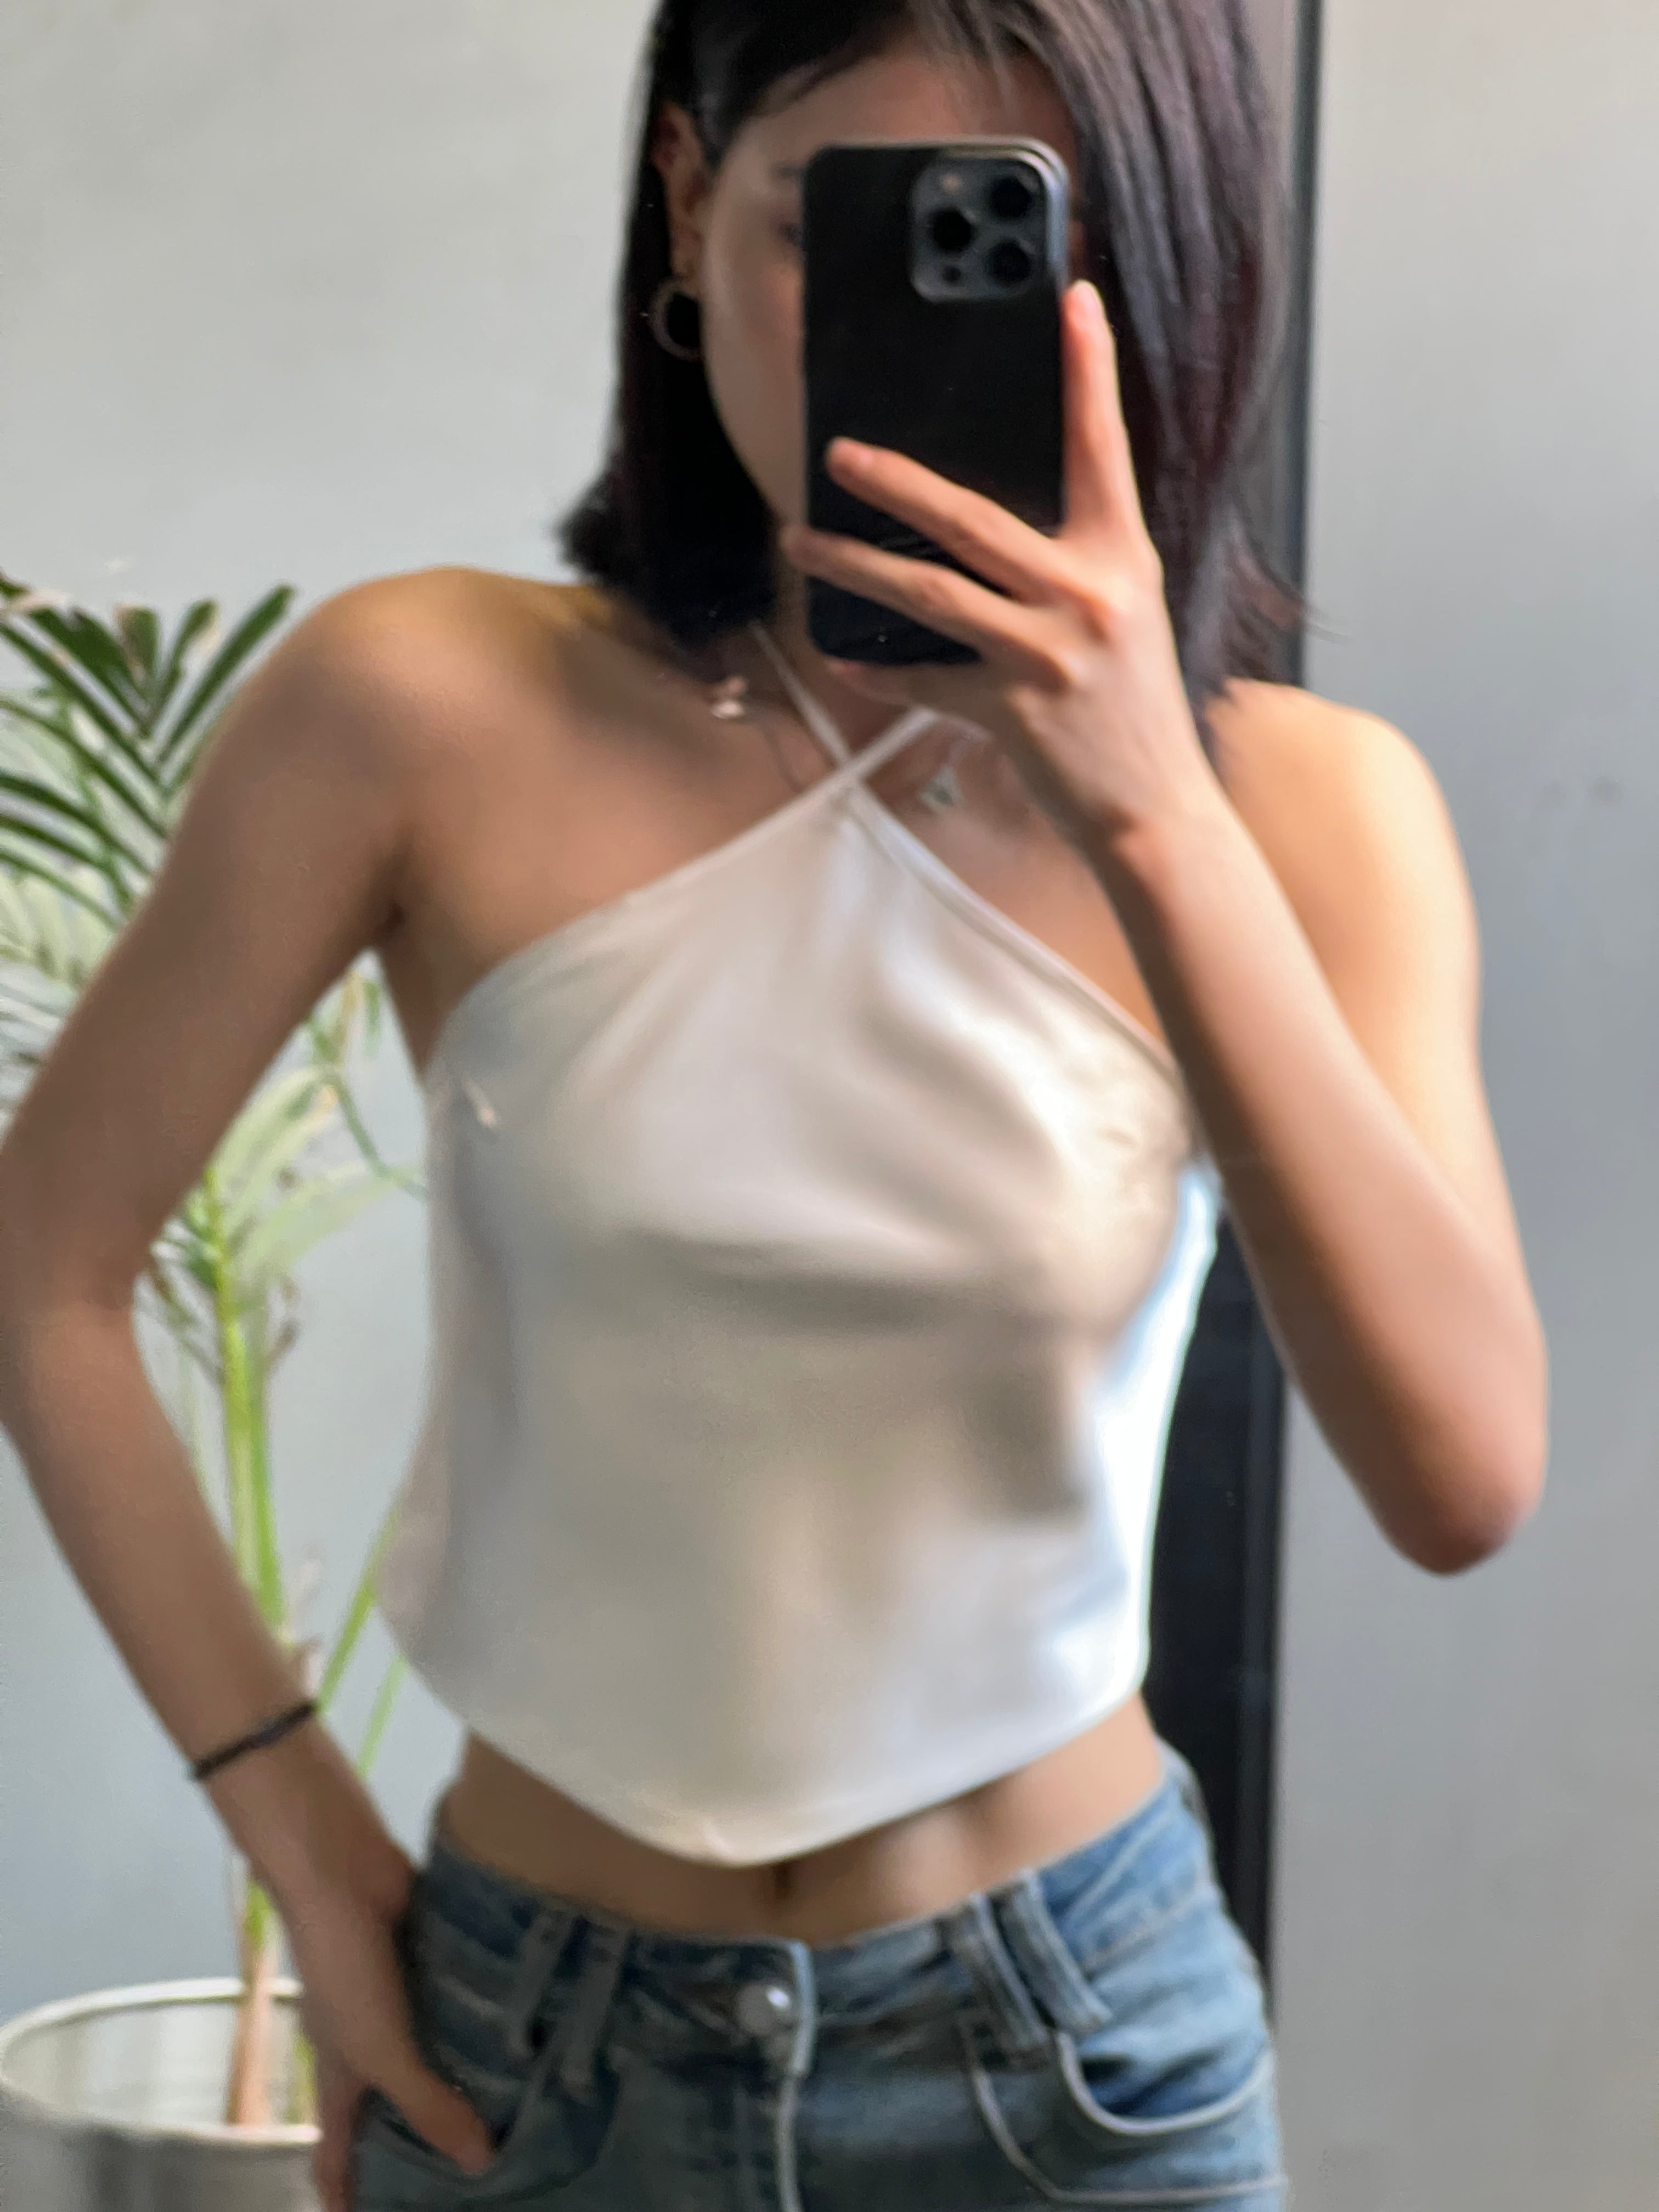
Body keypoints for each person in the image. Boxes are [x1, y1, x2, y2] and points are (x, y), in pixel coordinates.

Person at [0, 2, 1549, 2208]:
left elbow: (1460, 1475)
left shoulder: (1308, 809)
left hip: (1073, 2065)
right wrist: (310, 1862)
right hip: (525, 2045)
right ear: (682, 204)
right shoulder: (421, 707)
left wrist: (1149, 810)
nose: (895, 325)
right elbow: (45, 1267)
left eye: (1015, 239)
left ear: (1163, 270)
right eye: (833, 223)